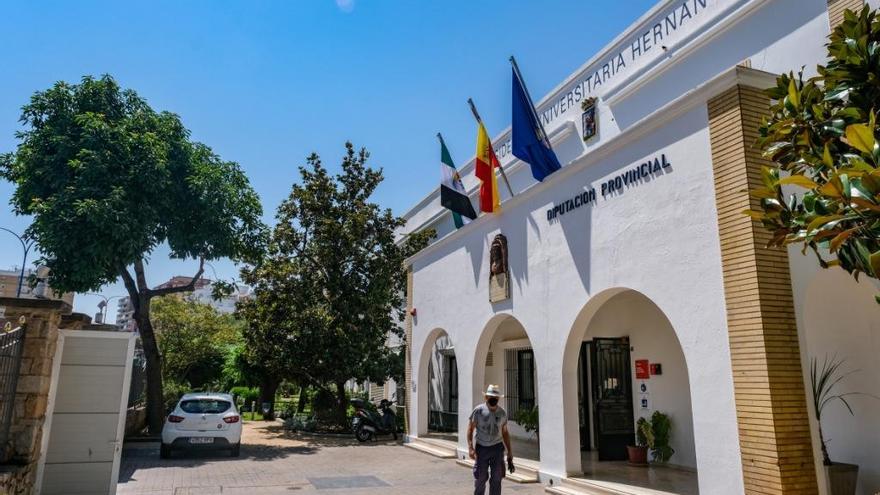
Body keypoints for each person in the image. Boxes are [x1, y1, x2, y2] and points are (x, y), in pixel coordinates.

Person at [467, 384, 513, 495]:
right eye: (491, 397)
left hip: (497, 449)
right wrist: (470, 448)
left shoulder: (502, 413)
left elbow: (505, 432)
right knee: (480, 478)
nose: (493, 399)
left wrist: (510, 452)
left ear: (498, 398)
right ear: (486, 397)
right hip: (481, 449)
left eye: (496, 397)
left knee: (497, 478)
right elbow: (470, 429)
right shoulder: (478, 411)